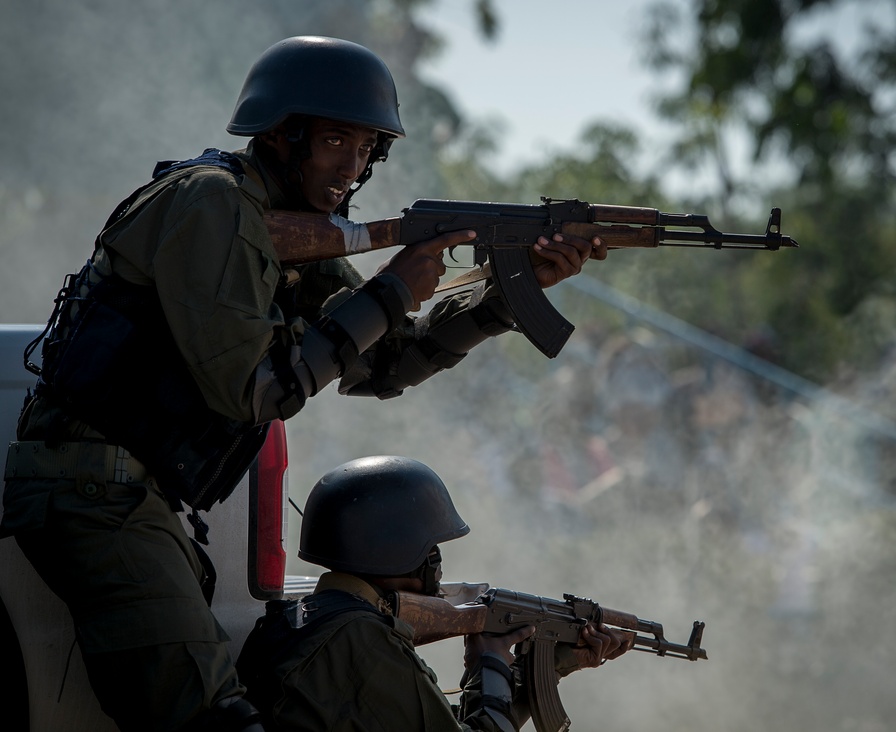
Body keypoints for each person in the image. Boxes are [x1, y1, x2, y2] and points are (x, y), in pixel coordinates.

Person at [0, 36, 605, 732]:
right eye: (332, 141)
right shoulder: (212, 203)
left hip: (123, 495)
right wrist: (387, 292)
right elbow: (256, 393)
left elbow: (384, 366)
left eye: (366, 147)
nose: (349, 166)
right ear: (283, 136)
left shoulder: (281, 226)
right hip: (94, 492)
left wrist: (503, 296)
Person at [236, 455, 635, 731]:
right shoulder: (361, 640)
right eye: (431, 549)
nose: (437, 562)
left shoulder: (299, 621)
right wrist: (492, 664)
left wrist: (547, 668)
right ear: (395, 549)